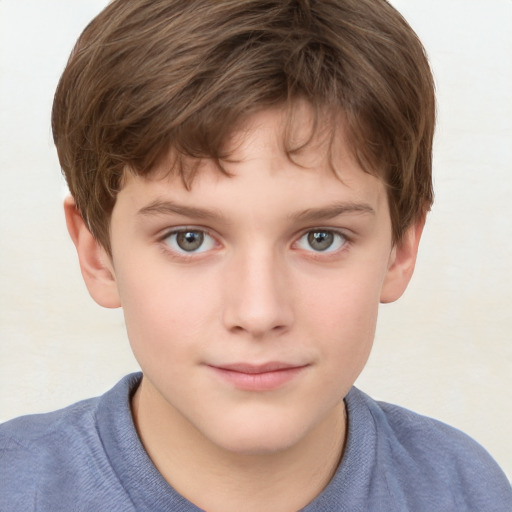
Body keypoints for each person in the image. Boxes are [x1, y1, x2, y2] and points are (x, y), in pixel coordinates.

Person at [0, 0, 511, 510]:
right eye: (189, 239)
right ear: (97, 254)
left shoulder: (466, 490)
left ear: (401, 248)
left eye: (321, 238)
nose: (259, 312)